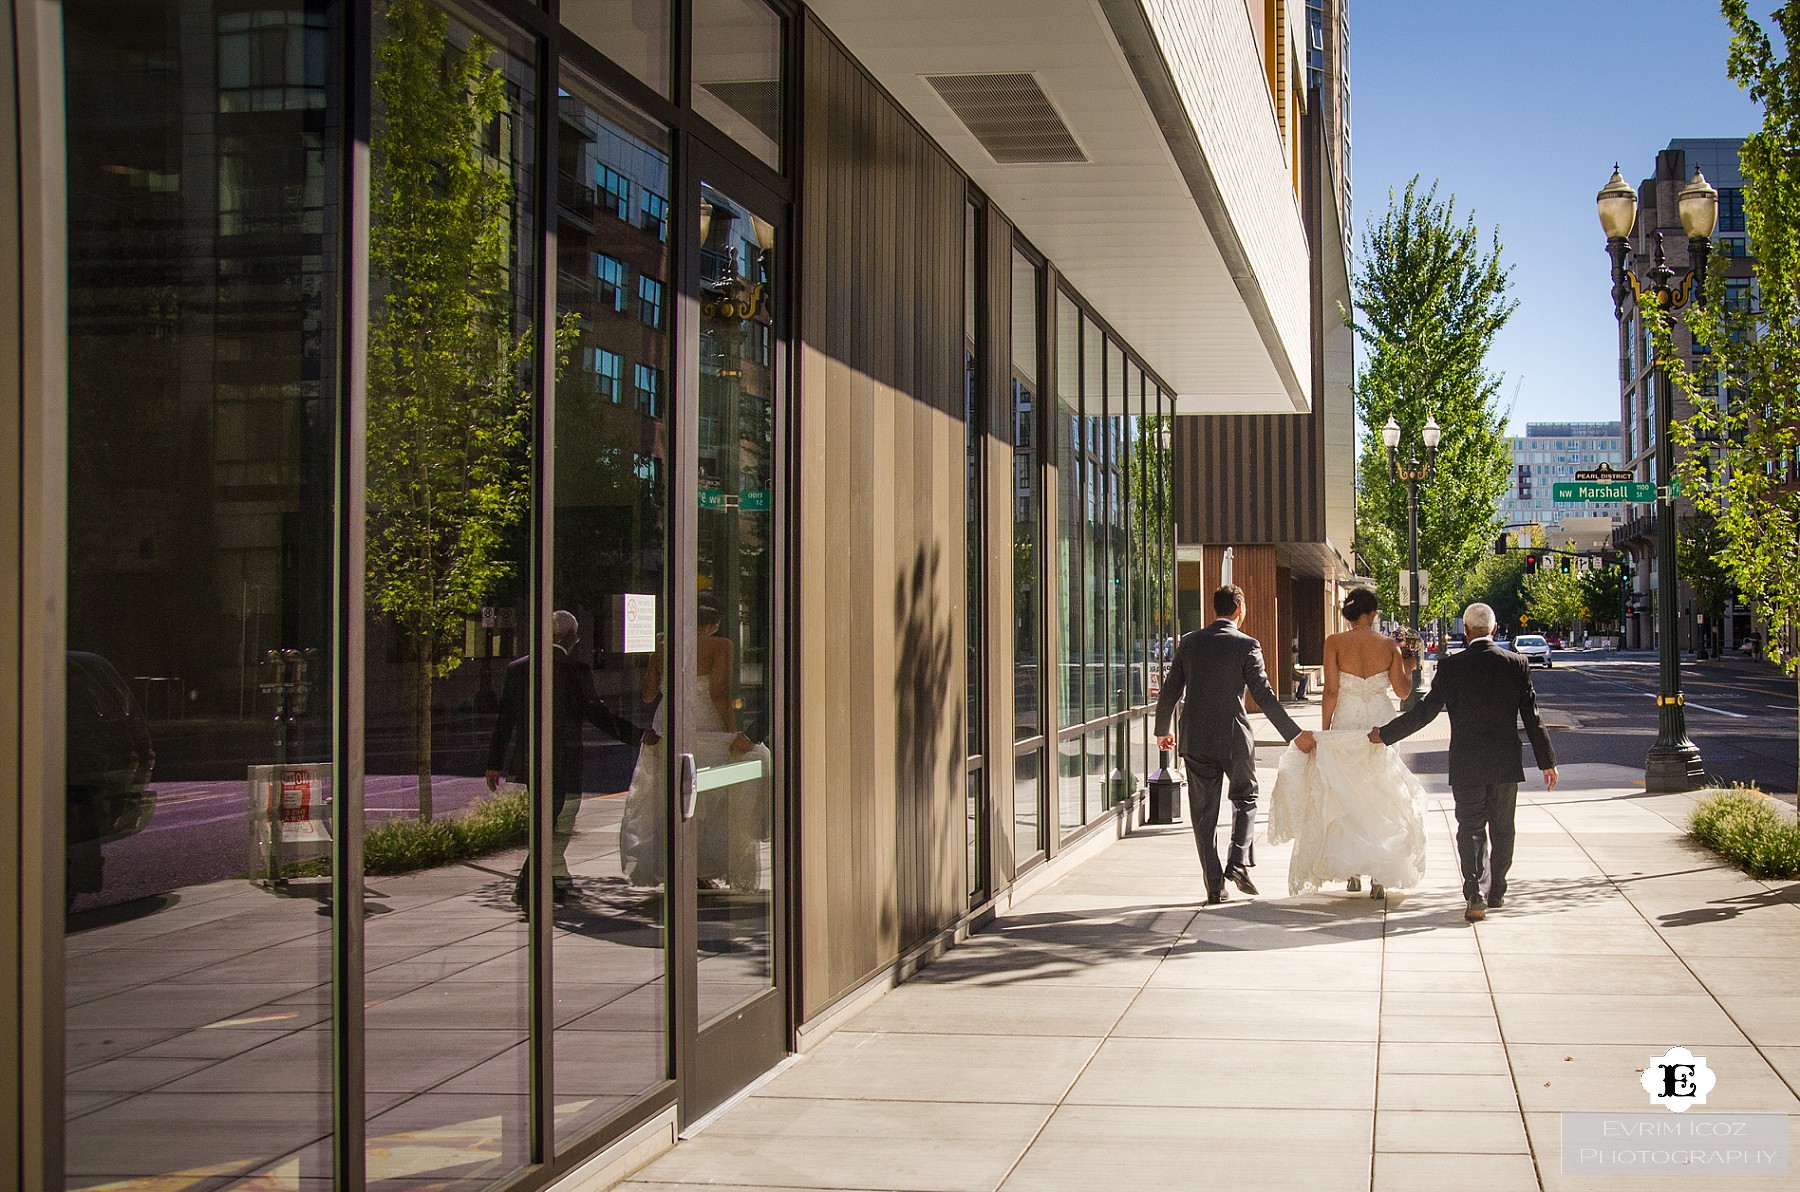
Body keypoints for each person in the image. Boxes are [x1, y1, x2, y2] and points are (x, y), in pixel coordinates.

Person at [1372, 601, 1558, 922]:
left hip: (1466, 761)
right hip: (1505, 762)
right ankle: (1497, 888)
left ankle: (1474, 891)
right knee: (1502, 828)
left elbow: (1425, 711)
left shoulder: (1452, 667)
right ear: (1494, 630)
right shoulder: (1516, 663)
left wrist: (1385, 734)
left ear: (1467, 631)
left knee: (1470, 827)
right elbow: (1532, 716)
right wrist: (1547, 761)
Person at [1155, 584, 1316, 904]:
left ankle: (1214, 886)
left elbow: (1171, 689)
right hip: (1233, 738)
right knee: (1246, 797)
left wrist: (1162, 730)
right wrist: (1294, 734)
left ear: (1214, 609)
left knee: (1203, 814)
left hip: (1195, 738)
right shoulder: (1247, 645)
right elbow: (1265, 696)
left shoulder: (1189, 643)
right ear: (1240, 609)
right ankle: (1238, 860)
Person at [1266, 588, 1429, 898]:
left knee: (1345, 795)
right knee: (1382, 794)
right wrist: (1408, 664)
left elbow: (1331, 691)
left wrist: (1325, 732)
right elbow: (1404, 693)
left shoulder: (1334, 643)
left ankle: (1352, 872)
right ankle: (1379, 877)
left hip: (1347, 720)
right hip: (1381, 723)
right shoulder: (1389, 646)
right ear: (1371, 614)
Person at [486, 610, 639, 906]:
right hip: (565, 761)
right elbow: (598, 715)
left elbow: (505, 721)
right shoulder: (574, 669)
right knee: (558, 825)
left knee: (547, 822)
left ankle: (555, 882)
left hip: (532, 761)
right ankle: (528, 888)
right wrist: (637, 736)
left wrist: (494, 763)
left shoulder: (519, 668)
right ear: (572, 638)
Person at [620, 598, 770, 890]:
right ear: (713, 625)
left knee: (672, 795)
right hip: (706, 724)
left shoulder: (663, 647)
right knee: (713, 795)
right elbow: (718, 692)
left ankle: (674, 862)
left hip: (668, 723)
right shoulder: (720, 646)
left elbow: (648, 695)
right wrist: (733, 731)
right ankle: (706, 864)